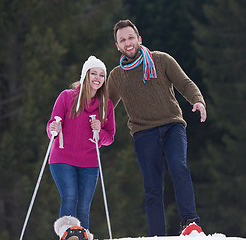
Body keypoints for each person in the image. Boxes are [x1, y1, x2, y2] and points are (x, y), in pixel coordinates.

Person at [107, 19, 207, 236]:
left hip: (172, 125)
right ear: (117, 46)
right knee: (152, 189)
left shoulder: (161, 60)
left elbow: (185, 83)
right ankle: (157, 236)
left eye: (130, 37)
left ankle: (190, 223)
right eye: (122, 40)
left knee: (178, 166)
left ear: (139, 38)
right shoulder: (116, 76)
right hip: (143, 134)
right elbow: (105, 108)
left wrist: (197, 100)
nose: (128, 43)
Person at [47, 56, 115, 231]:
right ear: (85, 75)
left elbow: (109, 137)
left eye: (101, 75)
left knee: (83, 206)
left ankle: (81, 235)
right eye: (94, 73)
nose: (97, 78)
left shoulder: (106, 105)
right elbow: (52, 127)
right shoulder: (66, 97)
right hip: (63, 157)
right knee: (70, 196)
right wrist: (53, 128)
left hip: (90, 161)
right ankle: (68, 234)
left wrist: (99, 131)